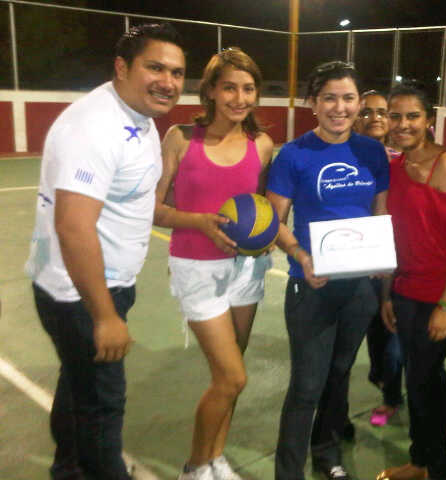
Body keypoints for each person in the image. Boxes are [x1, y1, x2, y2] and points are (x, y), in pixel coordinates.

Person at [24, 23, 185, 480]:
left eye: (176, 72)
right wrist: (104, 316)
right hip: (82, 293)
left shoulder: (137, 117)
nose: (168, 81)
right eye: (155, 68)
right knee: (102, 405)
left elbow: (135, 203)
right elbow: (74, 227)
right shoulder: (95, 127)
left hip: (98, 284)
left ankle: (68, 468)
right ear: (122, 67)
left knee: (78, 386)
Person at [153, 47, 274, 480]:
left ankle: (215, 457)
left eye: (248, 89)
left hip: (247, 269)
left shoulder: (262, 146)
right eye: (229, 88)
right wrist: (200, 222)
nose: (240, 98)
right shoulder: (181, 138)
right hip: (197, 268)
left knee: (230, 373)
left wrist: (266, 238)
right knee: (232, 377)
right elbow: (153, 209)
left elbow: (262, 209)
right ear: (210, 91)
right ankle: (194, 467)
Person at [266, 60, 389, 480]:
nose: (340, 107)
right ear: (313, 104)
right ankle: (288, 472)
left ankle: (327, 454)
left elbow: (380, 212)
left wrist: (381, 260)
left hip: (360, 289)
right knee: (306, 385)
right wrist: (301, 256)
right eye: (330, 98)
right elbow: (275, 220)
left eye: (348, 98)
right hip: (311, 286)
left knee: (339, 375)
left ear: (359, 103)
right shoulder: (293, 154)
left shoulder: (371, 152)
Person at [376, 84, 446, 480]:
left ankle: (432, 468)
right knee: (421, 380)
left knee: (424, 382)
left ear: (429, 120)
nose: (402, 124)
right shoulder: (395, 168)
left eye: (412, 116)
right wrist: (388, 294)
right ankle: (421, 462)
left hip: (442, 296)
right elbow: (393, 236)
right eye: (395, 116)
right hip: (406, 291)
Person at [352, 90, 405, 429]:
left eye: (382, 112)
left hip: (400, 258)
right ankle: (385, 382)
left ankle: (393, 397)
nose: (375, 118)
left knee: (393, 333)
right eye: (367, 112)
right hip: (361, 259)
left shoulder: (403, 160)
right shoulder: (348, 157)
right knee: (376, 332)